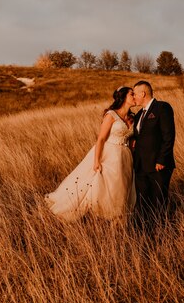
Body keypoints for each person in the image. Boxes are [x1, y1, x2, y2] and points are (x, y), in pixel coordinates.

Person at [45, 87, 136, 221]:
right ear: (123, 97)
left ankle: (116, 216)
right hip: (109, 153)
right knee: (97, 186)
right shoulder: (111, 115)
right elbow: (100, 139)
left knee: (120, 188)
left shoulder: (132, 118)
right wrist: (96, 161)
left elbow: (132, 139)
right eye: (131, 94)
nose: (135, 96)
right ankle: (94, 214)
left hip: (125, 156)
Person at [131, 80, 176, 227]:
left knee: (159, 202)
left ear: (143, 93)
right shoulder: (138, 115)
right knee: (143, 202)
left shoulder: (162, 108)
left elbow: (168, 136)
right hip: (141, 167)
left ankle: (161, 232)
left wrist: (162, 160)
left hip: (158, 166)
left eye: (135, 94)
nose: (133, 97)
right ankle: (145, 231)